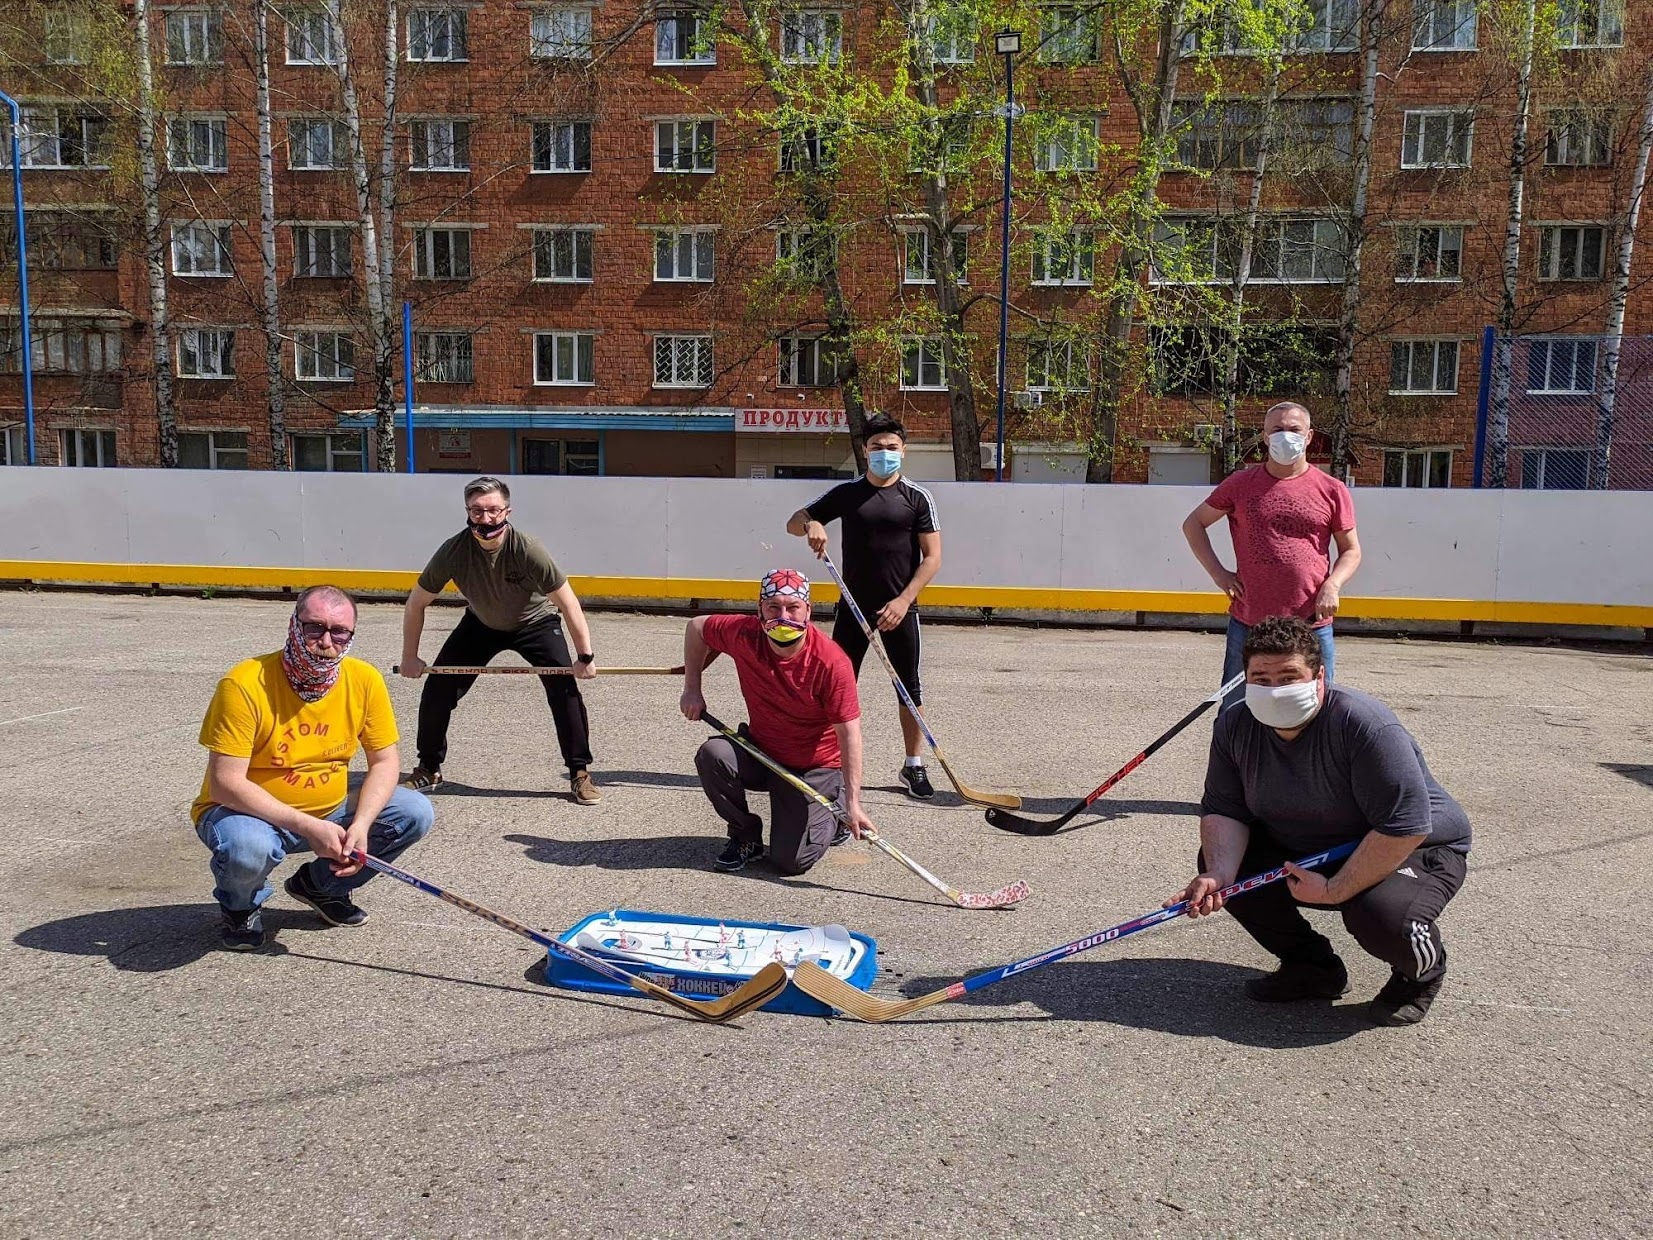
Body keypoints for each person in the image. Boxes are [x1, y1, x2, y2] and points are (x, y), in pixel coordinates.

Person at [1170, 615, 1471, 1026]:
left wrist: (1335, 889)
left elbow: (1405, 825)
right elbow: (1226, 809)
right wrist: (1221, 873)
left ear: (1319, 676)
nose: (1275, 691)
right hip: (1310, 845)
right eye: (1261, 678)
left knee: (1381, 915)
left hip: (1410, 846)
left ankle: (1420, 973)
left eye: (1290, 677)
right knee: (1224, 865)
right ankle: (1312, 967)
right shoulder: (1234, 723)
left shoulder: (1365, 725)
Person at [192, 586, 434, 951]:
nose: (326, 641)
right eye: (314, 627)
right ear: (294, 625)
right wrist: (308, 826)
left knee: (414, 811)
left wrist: (362, 825)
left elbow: (385, 762)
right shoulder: (244, 684)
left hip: (328, 811)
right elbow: (226, 784)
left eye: (339, 632)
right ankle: (241, 906)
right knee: (248, 847)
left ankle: (321, 885)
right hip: (247, 813)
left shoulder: (363, 680)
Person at [399, 476, 600, 805]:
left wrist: (585, 657)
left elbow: (568, 602)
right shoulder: (454, 550)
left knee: (564, 690)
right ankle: (429, 767)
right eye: (477, 511)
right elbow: (416, 603)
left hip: (536, 622)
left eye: (493, 510)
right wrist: (410, 656)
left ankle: (579, 772)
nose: (486, 519)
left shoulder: (528, 549)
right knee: (438, 687)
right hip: (481, 623)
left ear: (507, 511)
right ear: (467, 511)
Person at [679, 568, 874, 875]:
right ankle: (745, 835)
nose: (783, 616)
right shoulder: (744, 634)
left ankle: (831, 815)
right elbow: (697, 627)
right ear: (760, 610)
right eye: (773, 607)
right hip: (762, 752)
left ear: (808, 611)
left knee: (790, 862)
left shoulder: (831, 663)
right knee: (713, 755)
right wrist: (692, 688)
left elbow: (849, 734)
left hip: (814, 767)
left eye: (793, 607)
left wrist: (853, 803)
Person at [787, 414, 942, 799]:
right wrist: (811, 525)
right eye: (877, 448)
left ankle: (913, 766)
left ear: (903, 451)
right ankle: (827, 764)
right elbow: (793, 521)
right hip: (852, 609)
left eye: (892, 448)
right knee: (838, 687)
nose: (884, 454)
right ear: (865, 450)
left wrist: (904, 601)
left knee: (909, 688)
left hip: (899, 611)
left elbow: (932, 557)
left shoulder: (917, 498)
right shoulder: (847, 493)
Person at [1181, 401, 1362, 708]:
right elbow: (1194, 524)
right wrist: (1219, 574)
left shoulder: (1331, 490)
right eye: (1277, 429)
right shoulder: (1240, 484)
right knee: (1236, 709)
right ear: (1264, 437)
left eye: (1294, 429)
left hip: (1311, 624)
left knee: (1318, 709)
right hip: (1250, 622)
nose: (1285, 436)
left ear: (1309, 436)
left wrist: (1332, 585)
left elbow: (1351, 550)